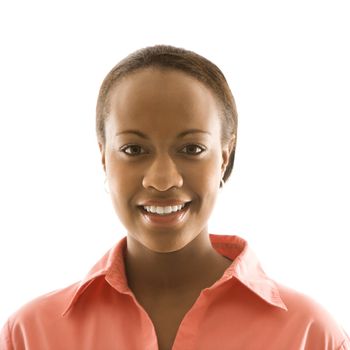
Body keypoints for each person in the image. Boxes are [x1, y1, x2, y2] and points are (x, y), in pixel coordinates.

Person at [0, 44, 349, 350]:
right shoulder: (30, 335)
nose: (163, 180)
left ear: (224, 157)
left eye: (192, 148)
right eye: (134, 149)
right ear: (104, 157)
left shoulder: (310, 335)